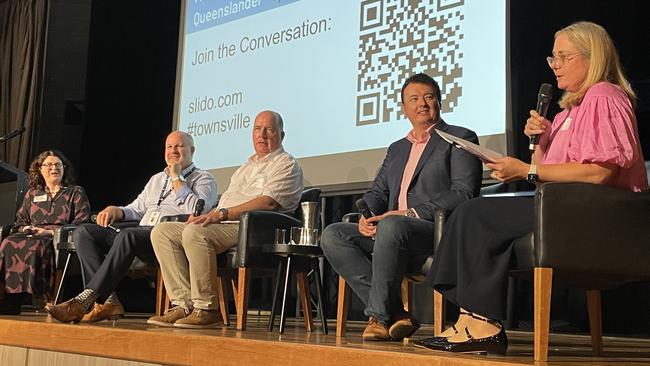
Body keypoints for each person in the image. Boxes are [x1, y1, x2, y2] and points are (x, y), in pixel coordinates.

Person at [421, 21, 648, 355]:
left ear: (592, 57)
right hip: (564, 207)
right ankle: (471, 318)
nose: (554, 65)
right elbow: (545, 174)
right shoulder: (569, 111)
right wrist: (541, 142)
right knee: (473, 213)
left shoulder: (604, 95)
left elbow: (599, 172)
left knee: (475, 213)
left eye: (563, 57)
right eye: (552, 57)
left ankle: (481, 322)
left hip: (599, 215)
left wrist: (527, 168)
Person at [321, 73, 482, 341]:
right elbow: (378, 191)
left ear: (440, 103)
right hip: (391, 232)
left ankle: (379, 317)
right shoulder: (397, 148)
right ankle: (396, 312)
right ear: (404, 108)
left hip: (434, 231)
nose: (422, 103)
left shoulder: (460, 137)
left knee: (393, 225)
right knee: (333, 234)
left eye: (429, 97)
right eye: (414, 99)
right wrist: (368, 216)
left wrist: (409, 214)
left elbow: (463, 193)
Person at [147, 110, 303, 329]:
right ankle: (184, 304)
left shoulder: (286, 164)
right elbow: (225, 202)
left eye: (269, 129)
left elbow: (268, 203)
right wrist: (206, 216)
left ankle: (207, 308)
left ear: (281, 135)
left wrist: (221, 215)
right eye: (258, 129)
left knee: (195, 233)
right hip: (226, 224)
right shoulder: (245, 167)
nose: (262, 135)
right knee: (162, 231)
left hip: (256, 229)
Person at [45, 131, 217, 323]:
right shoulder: (157, 179)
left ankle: (84, 300)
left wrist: (177, 179)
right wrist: (116, 210)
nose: (173, 151)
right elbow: (137, 209)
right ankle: (107, 301)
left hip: (167, 236)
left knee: (128, 235)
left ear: (192, 150)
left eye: (179, 146)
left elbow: (198, 210)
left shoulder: (204, 178)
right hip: (139, 231)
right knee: (84, 232)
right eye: (169, 147)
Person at [0, 150, 90, 314]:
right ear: (40, 169)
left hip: (57, 237)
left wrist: (50, 232)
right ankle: (9, 299)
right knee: (8, 242)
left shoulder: (75, 192)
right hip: (32, 233)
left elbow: (81, 223)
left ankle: (40, 297)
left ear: (64, 169)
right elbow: (21, 220)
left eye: (58, 165)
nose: (53, 168)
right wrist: (25, 228)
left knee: (37, 246)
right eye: (48, 165)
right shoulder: (33, 193)